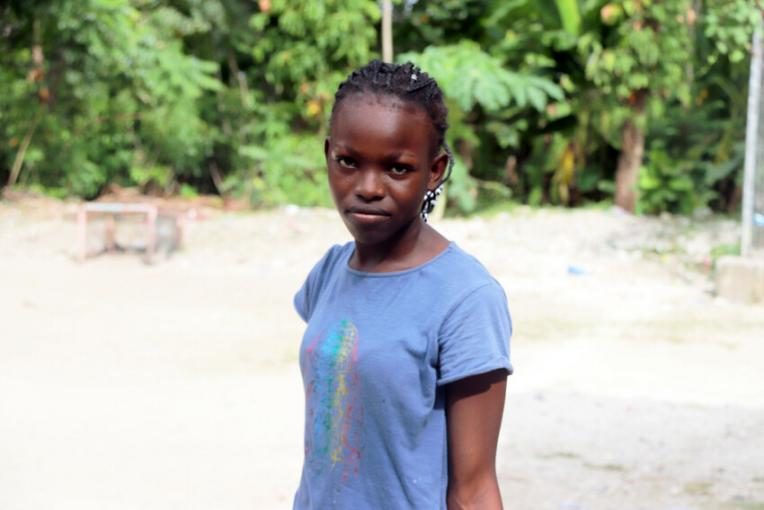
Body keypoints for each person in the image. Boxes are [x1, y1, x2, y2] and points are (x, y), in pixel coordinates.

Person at [293, 60, 513, 509]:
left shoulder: (465, 298)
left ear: (434, 171)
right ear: (328, 155)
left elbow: (473, 489)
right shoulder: (329, 272)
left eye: (397, 169)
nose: (368, 187)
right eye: (348, 162)